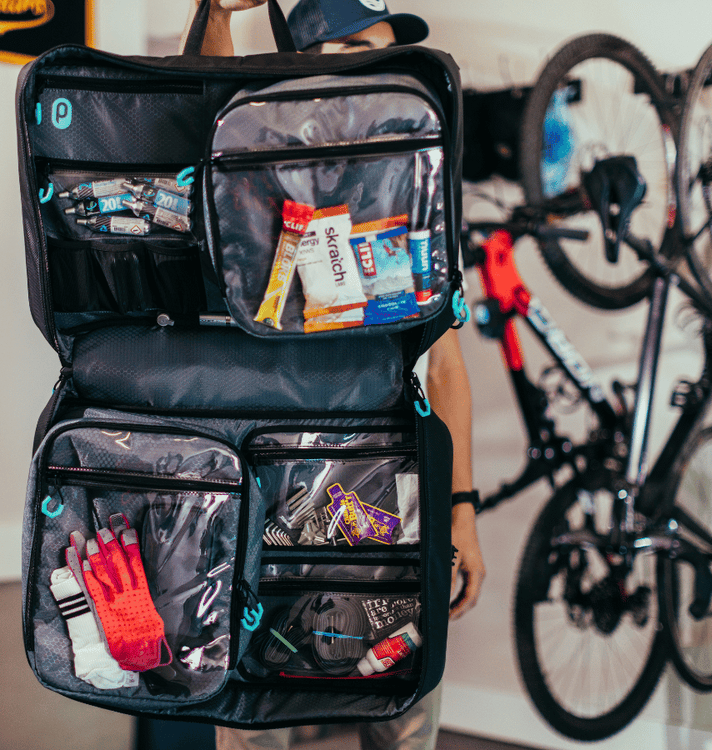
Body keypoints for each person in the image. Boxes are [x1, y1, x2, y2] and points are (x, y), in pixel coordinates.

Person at [181, 1, 486, 748]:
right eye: (354, 49)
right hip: (265, 504)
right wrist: (217, 10)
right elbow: (196, 111)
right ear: (301, 66)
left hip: (387, 510)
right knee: (251, 720)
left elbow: (443, 363)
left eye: (384, 52)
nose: (378, 71)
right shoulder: (251, 181)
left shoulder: (420, 189)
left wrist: (464, 510)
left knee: (404, 715)